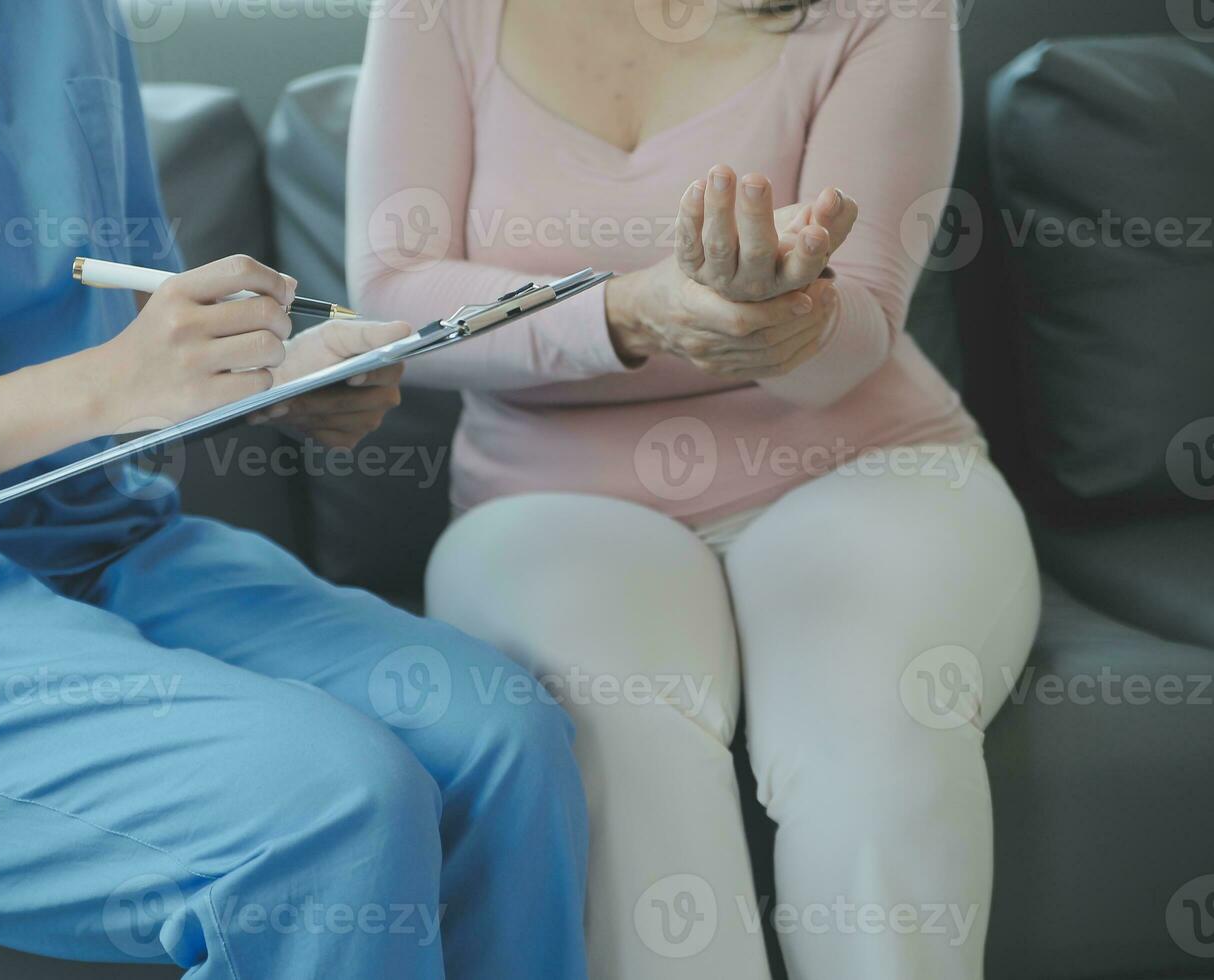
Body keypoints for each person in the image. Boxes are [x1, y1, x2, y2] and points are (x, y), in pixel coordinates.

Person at [0, 3, 587, 978]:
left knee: (500, 735)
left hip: (95, 530)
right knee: (330, 807)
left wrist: (271, 376)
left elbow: (113, 318)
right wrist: (108, 384)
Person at [347, 0, 1038, 976]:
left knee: (877, 736)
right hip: (547, 495)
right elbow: (391, 291)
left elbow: (861, 322)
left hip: (863, 460)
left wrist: (779, 320)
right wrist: (632, 310)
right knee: (625, 756)